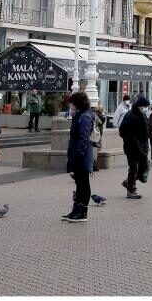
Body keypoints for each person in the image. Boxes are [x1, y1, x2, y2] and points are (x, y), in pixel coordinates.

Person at [63, 89, 95, 222]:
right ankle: (76, 210)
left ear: (77, 103)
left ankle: (82, 212)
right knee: (79, 183)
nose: (70, 106)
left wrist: (78, 154)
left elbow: (84, 137)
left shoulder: (85, 117)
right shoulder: (80, 115)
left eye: (71, 103)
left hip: (82, 155)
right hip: (78, 153)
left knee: (83, 184)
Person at [118, 94, 150, 197]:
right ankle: (131, 190)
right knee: (133, 168)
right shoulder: (130, 115)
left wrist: (146, 143)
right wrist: (132, 141)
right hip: (132, 147)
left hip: (142, 146)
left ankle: (128, 182)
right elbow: (122, 131)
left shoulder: (143, 115)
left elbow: (145, 131)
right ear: (139, 106)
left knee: (144, 167)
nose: (146, 109)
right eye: (145, 106)